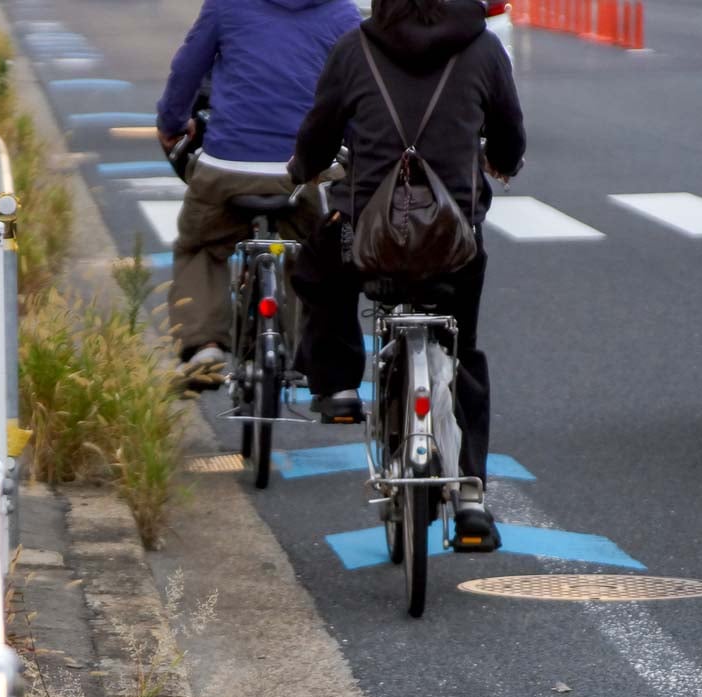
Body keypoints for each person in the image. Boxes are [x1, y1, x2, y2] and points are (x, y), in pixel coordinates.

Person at [286, 0, 526, 545]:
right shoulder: (484, 48)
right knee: (463, 350)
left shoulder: (356, 48)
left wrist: (303, 168)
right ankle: (470, 496)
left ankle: (339, 386)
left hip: (369, 246)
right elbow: (509, 132)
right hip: (452, 244)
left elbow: (320, 130)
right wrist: (503, 163)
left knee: (320, 264)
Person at [156, 0, 361, 379]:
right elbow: (357, 91)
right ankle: (304, 347)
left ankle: (204, 345)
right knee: (315, 252)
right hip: (306, 172)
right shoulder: (341, 13)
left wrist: (171, 121)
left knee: (199, 245)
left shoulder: (226, 5)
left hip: (228, 165)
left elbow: (186, 71)